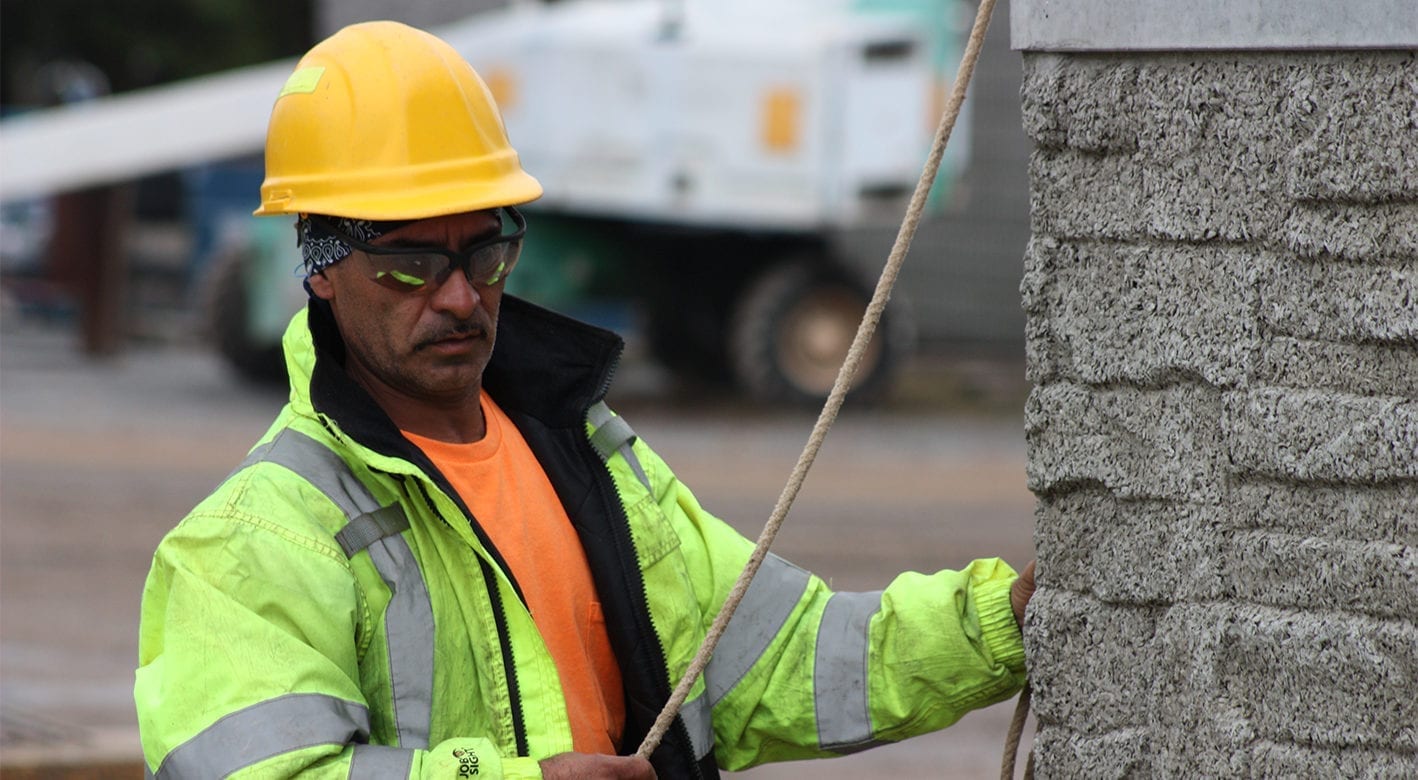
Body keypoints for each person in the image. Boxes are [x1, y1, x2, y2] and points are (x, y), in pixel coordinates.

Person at [134, 21, 1035, 780]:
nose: (458, 296)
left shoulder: (588, 456)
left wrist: (1001, 624)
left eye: (484, 254)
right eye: (410, 263)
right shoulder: (252, 544)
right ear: (321, 273)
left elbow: (776, 658)